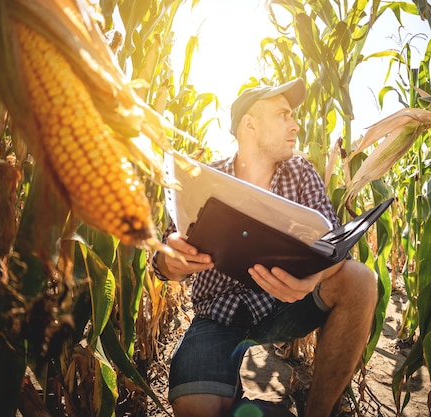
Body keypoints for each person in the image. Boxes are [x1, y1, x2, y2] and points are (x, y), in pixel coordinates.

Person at [152, 78, 378, 417]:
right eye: (284, 115)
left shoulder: (301, 172)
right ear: (250, 125)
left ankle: (317, 411)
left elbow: (334, 247)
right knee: (196, 408)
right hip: (218, 313)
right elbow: (161, 259)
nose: (295, 124)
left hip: (284, 305)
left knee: (360, 280)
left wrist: (313, 279)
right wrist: (172, 260)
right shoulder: (205, 178)